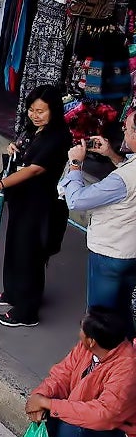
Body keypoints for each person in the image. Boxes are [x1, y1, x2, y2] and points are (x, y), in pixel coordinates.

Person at [16, 308, 136, 437]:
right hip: (88, 413)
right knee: (52, 411)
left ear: (92, 341)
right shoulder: (87, 348)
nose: (78, 331)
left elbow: (103, 414)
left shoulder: (127, 368)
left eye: (82, 329)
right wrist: (40, 397)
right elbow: (61, 375)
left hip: (118, 436)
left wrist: (50, 404)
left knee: (73, 424)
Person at [0, 87, 71, 327]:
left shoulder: (58, 136)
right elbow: (25, 158)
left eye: (41, 111)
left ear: (53, 111)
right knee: (16, 247)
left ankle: (27, 311)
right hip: (22, 200)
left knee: (30, 254)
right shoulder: (35, 130)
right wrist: (13, 150)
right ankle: (14, 293)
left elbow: (35, 168)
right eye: (31, 110)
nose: (35, 115)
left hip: (40, 203)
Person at [59, 108, 136, 337]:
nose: (123, 129)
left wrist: (74, 164)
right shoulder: (127, 169)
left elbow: (76, 200)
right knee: (122, 312)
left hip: (110, 253)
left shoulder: (122, 180)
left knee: (99, 319)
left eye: (128, 127)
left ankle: (98, 363)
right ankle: (126, 357)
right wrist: (112, 155)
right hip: (130, 251)